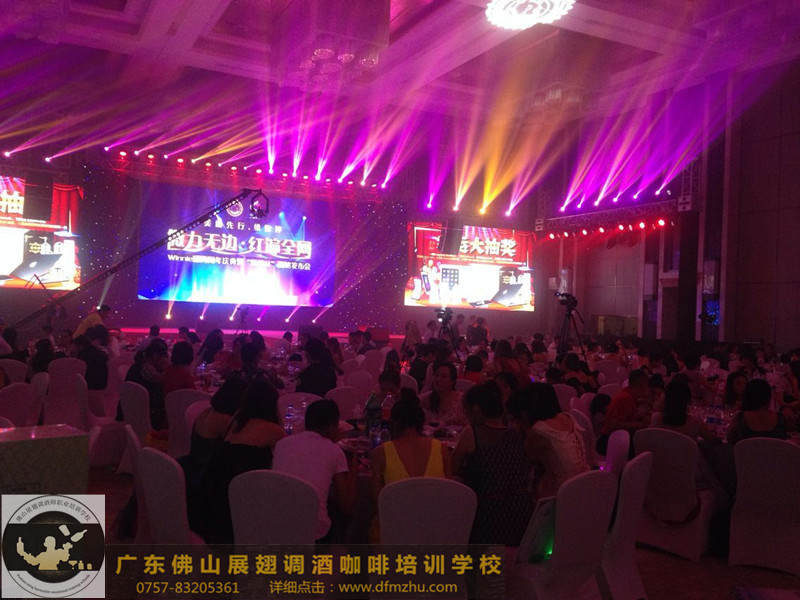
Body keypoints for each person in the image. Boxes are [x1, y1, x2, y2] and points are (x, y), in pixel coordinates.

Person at [201, 378, 285, 543]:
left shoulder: (237, 419)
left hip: (218, 489)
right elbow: (286, 454)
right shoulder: (274, 431)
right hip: (246, 496)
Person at [452, 383, 533, 545]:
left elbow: (453, 467)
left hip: (486, 514)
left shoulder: (473, 432)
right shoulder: (515, 433)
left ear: (476, 410)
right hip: (521, 513)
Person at [272, 400, 357, 542]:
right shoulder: (335, 451)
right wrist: (353, 464)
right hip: (313, 535)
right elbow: (346, 505)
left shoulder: (282, 444)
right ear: (332, 427)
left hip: (276, 528)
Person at [371, 399, 451, 540]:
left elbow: (378, 501)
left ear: (394, 423)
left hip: (396, 532)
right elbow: (450, 494)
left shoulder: (380, 453)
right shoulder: (442, 449)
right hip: (436, 532)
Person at [506, 383, 589, 499]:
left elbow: (524, 462)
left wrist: (522, 428)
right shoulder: (567, 417)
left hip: (562, 494)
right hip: (587, 483)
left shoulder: (539, 430)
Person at [596, 369, 651, 455]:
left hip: (613, 438)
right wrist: (640, 425)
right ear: (641, 385)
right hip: (612, 442)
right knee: (648, 448)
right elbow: (614, 424)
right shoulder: (627, 399)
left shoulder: (626, 393)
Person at [727, 379, 792, 444]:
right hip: (774, 451)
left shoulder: (740, 417)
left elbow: (730, 439)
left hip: (748, 450)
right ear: (769, 397)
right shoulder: (780, 419)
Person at [652, 381, 720, 443]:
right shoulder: (695, 423)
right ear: (687, 401)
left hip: (660, 453)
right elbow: (713, 440)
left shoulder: (655, 419)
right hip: (687, 453)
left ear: (665, 398)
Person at [124, 340, 169, 431]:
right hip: (145, 411)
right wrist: (165, 368)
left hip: (129, 408)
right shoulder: (147, 368)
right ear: (155, 356)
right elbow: (163, 382)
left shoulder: (139, 364)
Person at [421, 361, 465, 426]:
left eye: (443, 377)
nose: (438, 379)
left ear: (452, 381)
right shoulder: (428, 397)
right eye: (436, 375)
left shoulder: (461, 400)